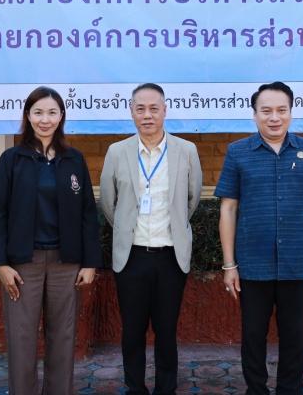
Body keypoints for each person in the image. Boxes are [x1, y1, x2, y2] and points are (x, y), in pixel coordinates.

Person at [216, 81, 303, 395]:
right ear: (254, 115)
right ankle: (256, 390)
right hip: (252, 264)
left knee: (293, 335)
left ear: (291, 113)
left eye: (281, 110)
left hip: (296, 261)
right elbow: (228, 209)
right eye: (266, 110)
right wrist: (229, 265)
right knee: (253, 335)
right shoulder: (238, 151)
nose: (274, 117)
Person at [0, 86, 102, 395]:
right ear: (28, 116)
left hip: (67, 264)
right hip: (23, 264)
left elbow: (87, 213)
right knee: (21, 339)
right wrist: (2, 264)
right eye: (38, 112)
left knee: (63, 338)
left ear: (61, 116)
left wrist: (90, 263)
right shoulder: (12, 159)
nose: (45, 119)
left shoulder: (74, 159)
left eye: (52, 112)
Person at [99, 83, 203, 395]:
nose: (147, 115)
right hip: (131, 256)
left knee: (166, 330)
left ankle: (165, 389)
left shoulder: (186, 150)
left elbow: (192, 199)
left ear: (164, 111)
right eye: (141, 109)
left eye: (154, 108)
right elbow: (108, 203)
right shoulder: (117, 152)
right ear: (131, 112)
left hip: (171, 255)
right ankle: (135, 388)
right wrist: (126, 229)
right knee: (132, 330)